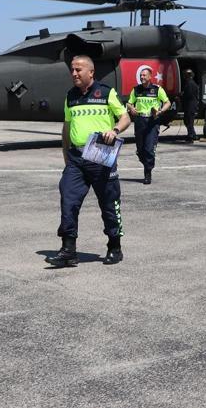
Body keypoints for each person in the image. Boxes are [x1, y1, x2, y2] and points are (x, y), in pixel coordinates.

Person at [46, 55, 131, 268]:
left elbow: (125, 117)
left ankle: (114, 246)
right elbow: (66, 128)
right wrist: (66, 156)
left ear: (91, 72)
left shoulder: (106, 92)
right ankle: (68, 250)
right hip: (76, 158)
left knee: (109, 203)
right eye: (72, 70)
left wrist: (114, 130)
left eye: (78, 70)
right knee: (68, 199)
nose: (74, 73)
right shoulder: (70, 96)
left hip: (101, 155)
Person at [126, 66, 171, 184]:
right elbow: (129, 103)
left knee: (149, 149)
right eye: (141, 75)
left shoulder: (157, 89)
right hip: (140, 121)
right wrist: (131, 109)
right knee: (141, 150)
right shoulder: (136, 90)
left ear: (150, 77)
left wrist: (160, 111)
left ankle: (148, 173)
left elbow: (167, 103)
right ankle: (145, 160)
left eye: (144, 75)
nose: (142, 77)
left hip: (153, 121)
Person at [181, 68, 199, 142]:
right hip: (191, 105)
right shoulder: (191, 83)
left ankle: (191, 136)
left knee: (189, 121)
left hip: (190, 105)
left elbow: (189, 95)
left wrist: (182, 95)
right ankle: (193, 134)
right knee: (188, 120)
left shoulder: (190, 83)